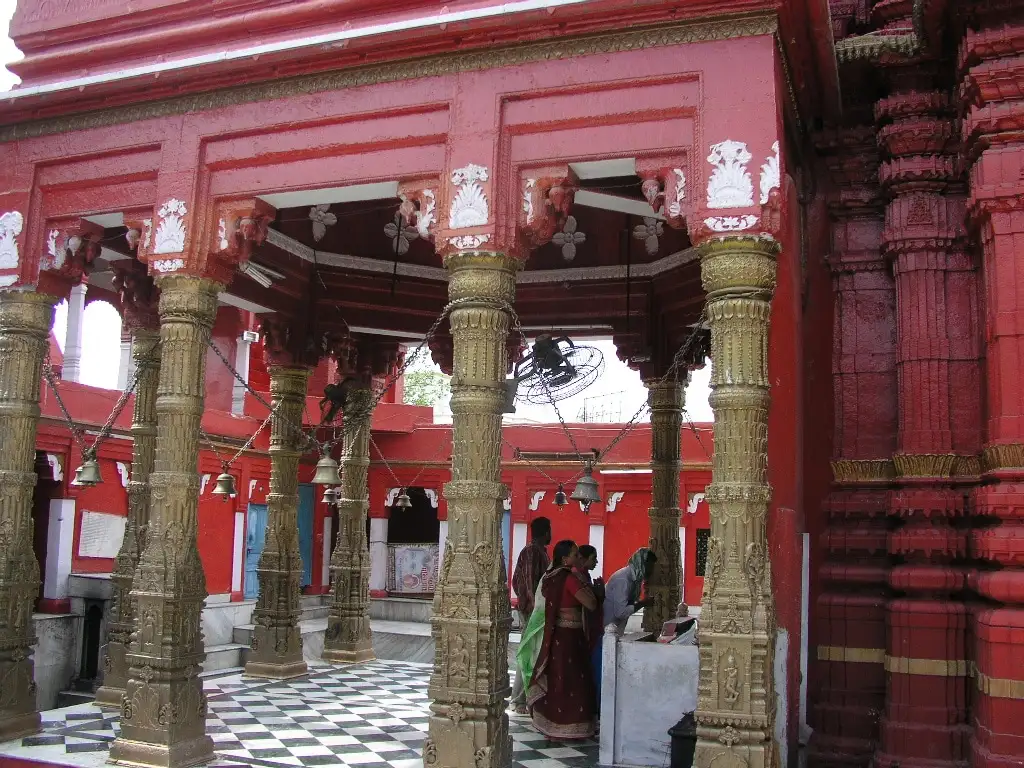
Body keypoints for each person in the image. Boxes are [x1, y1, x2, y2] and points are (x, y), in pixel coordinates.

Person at [527, 540, 598, 739]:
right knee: (573, 683)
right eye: (575, 555)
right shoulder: (569, 578)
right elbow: (590, 603)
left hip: (557, 635)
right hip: (570, 638)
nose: (578, 558)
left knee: (558, 681)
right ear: (565, 558)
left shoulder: (550, 577)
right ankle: (572, 727)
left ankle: (552, 725)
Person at [591, 547, 657, 708]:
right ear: (642, 563)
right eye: (650, 566)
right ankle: (600, 710)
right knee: (602, 674)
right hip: (605, 630)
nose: (651, 571)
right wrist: (642, 603)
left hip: (614, 630)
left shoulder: (633, 579)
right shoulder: (624, 579)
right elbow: (620, 612)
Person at [510, 516, 551, 714]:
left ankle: (528, 696)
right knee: (528, 652)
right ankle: (518, 700)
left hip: (537, 610)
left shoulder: (540, 552)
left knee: (533, 652)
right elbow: (527, 580)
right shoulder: (531, 551)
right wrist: (535, 607)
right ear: (545, 532)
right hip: (531, 611)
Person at [576, 545, 605, 712]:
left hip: (592, 628)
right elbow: (590, 604)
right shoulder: (577, 577)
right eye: (594, 558)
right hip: (584, 629)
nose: (596, 562)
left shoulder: (584, 576)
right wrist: (598, 594)